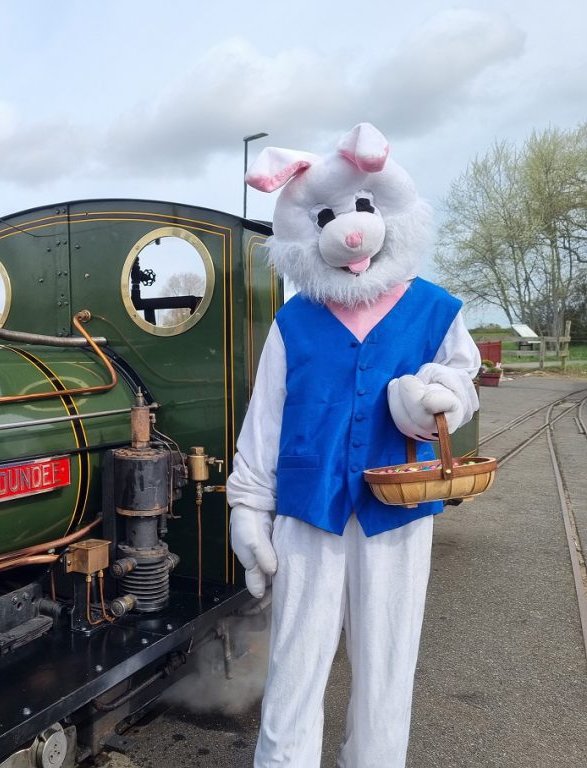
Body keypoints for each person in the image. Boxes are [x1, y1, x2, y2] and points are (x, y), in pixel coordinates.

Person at [227, 123, 480, 767]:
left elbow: (461, 380)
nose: (352, 229)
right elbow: (266, 419)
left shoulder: (435, 309)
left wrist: (439, 392)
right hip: (308, 514)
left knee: (388, 661)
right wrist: (248, 507)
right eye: (331, 216)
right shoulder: (294, 321)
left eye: (365, 208)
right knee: (294, 663)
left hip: (397, 513)